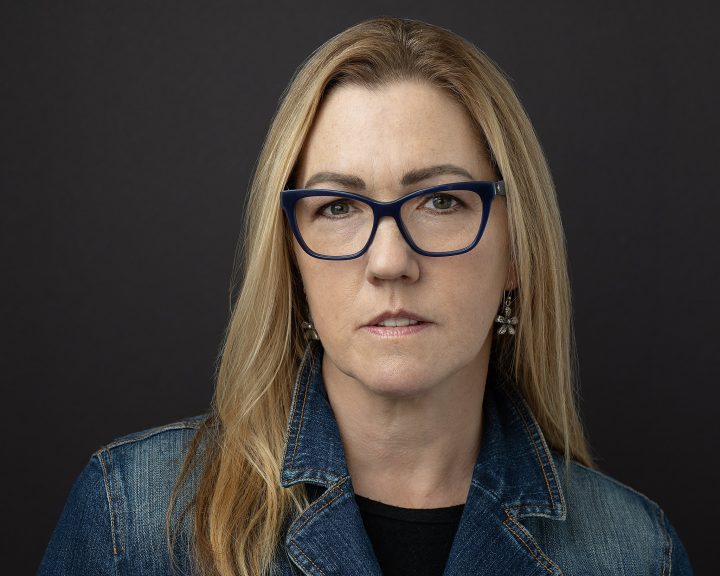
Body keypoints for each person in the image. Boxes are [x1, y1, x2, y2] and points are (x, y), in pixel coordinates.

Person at [39, 16, 693, 576]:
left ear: (516, 248)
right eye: (338, 206)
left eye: (441, 200)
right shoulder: (135, 522)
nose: (389, 261)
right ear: (289, 257)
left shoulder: (634, 553)